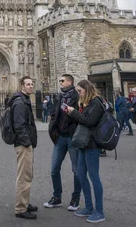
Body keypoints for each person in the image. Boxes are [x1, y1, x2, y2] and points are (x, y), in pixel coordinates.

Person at [66, 79, 105, 223]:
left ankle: (99, 211)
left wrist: (74, 112)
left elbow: (89, 122)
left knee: (94, 177)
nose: (78, 93)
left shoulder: (96, 102)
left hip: (93, 145)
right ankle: (89, 207)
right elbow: (82, 121)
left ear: (86, 89)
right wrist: (78, 109)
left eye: (79, 91)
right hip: (84, 143)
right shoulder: (87, 103)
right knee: (81, 174)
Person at [44, 74, 81, 212]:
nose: (60, 82)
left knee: (76, 170)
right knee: (54, 169)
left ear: (70, 82)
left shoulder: (77, 97)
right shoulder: (59, 96)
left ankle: (75, 198)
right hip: (60, 137)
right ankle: (57, 197)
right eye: (59, 80)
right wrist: (53, 127)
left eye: (62, 81)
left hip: (72, 137)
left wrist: (72, 129)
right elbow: (55, 113)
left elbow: (81, 116)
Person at [11, 75, 38, 220]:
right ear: (22, 86)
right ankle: (21, 208)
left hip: (25, 143)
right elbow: (19, 125)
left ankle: (25, 202)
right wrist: (27, 142)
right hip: (23, 145)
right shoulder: (20, 102)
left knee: (27, 175)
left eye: (32, 84)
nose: (31, 86)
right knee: (24, 177)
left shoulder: (23, 100)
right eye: (28, 84)